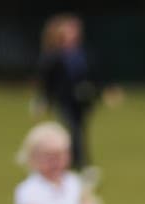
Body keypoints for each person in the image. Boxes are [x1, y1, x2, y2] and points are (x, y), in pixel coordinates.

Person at [35, 13, 102, 172]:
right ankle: (79, 164)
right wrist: (44, 99)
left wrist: (98, 91)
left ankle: (76, 163)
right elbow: (47, 80)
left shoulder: (82, 52)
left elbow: (93, 74)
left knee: (79, 130)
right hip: (64, 99)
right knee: (73, 130)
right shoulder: (54, 55)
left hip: (82, 101)